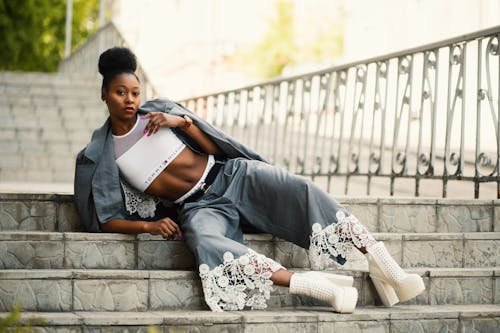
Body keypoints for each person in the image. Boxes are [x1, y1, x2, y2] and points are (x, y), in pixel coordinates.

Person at [74, 47, 425, 313]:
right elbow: (104, 219)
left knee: (302, 189)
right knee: (206, 242)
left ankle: (386, 266)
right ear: (104, 94)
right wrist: (150, 228)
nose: (130, 100)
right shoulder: (98, 155)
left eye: (134, 92)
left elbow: (216, 147)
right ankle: (316, 286)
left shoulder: (161, 112)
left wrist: (181, 123)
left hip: (231, 175)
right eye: (121, 93)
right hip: (195, 206)